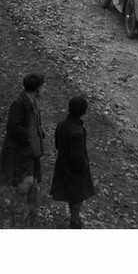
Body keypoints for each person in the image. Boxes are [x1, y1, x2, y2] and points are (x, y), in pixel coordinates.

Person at [0, 72, 46, 227]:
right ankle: (12, 212)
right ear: (37, 89)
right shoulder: (19, 103)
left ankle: (29, 219)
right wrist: (28, 138)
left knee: (33, 184)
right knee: (27, 182)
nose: (43, 90)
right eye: (42, 87)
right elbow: (13, 126)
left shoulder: (31, 102)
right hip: (20, 152)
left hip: (30, 151)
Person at [50, 95, 95, 229]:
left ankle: (74, 219)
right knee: (77, 196)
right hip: (74, 169)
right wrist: (85, 166)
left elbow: (57, 144)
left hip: (62, 164)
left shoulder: (61, 125)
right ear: (83, 111)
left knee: (72, 195)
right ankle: (74, 221)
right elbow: (78, 156)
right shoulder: (78, 132)